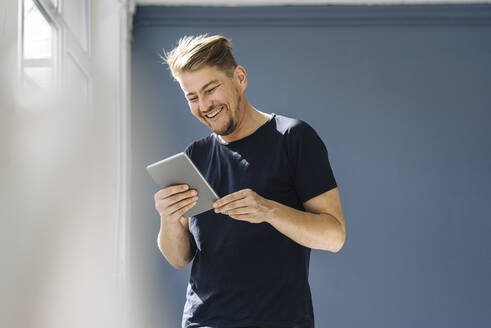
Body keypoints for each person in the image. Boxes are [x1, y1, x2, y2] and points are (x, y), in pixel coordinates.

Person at [153, 34, 346, 328]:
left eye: (211, 89)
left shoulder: (293, 139)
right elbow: (179, 258)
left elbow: (334, 236)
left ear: (239, 78)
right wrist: (168, 218)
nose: (204, 105)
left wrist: (269, 210)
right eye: (192, 97)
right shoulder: (195, 156)